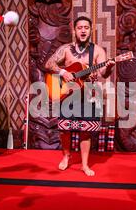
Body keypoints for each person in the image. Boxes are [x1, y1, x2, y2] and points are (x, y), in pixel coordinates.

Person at [45, 16, 115, 176]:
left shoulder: (97, 51)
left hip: (89, 95)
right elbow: (49, 64)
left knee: (86, 131)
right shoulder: (66, 49)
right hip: (68, 93)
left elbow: (103, 74)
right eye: (80, 28)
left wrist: (109, 67)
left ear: (91, 30)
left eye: (86, 28)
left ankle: (84, 164)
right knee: (65, 129)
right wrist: (63, 72)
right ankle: (66, 156)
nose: (83, 30)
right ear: (74, 30)